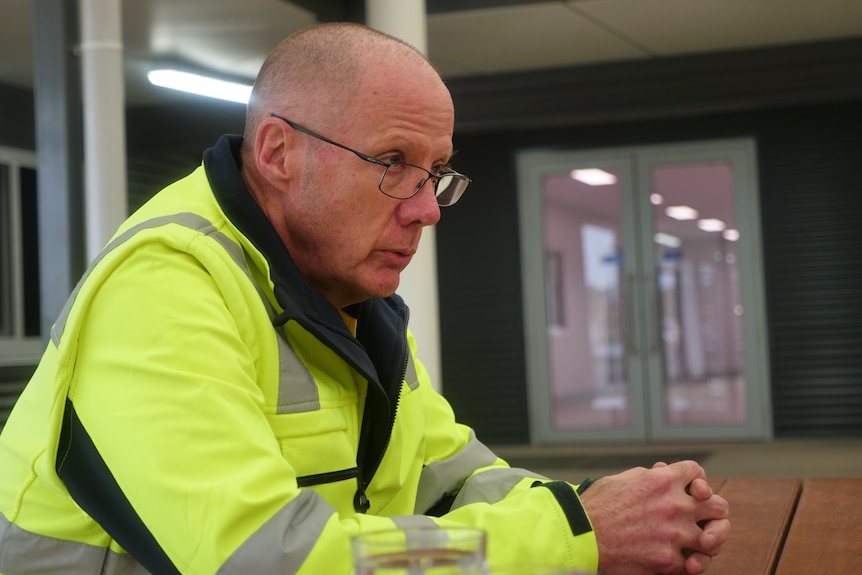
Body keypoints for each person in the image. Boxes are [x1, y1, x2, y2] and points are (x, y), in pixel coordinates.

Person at [0, 22, 729, 575]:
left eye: (437, 171)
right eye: (392, 163)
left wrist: (609, 506)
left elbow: (447, 478)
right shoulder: (163, 290)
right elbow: (263, 560)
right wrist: (575, 534)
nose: (427, 208)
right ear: (279, 154)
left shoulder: (347, 294)